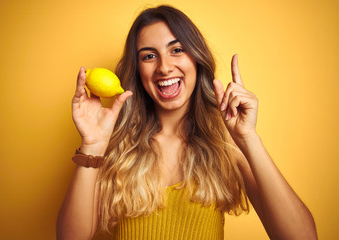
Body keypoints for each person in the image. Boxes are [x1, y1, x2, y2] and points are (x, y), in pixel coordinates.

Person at [57, 5, 317, 240]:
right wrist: (92, 144)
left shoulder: (225, 143)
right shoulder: (119, 147)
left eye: (177, 50)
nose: (165, 67)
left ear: (196, 58)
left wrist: (249, 138)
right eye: (149, 56)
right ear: (138, 71)